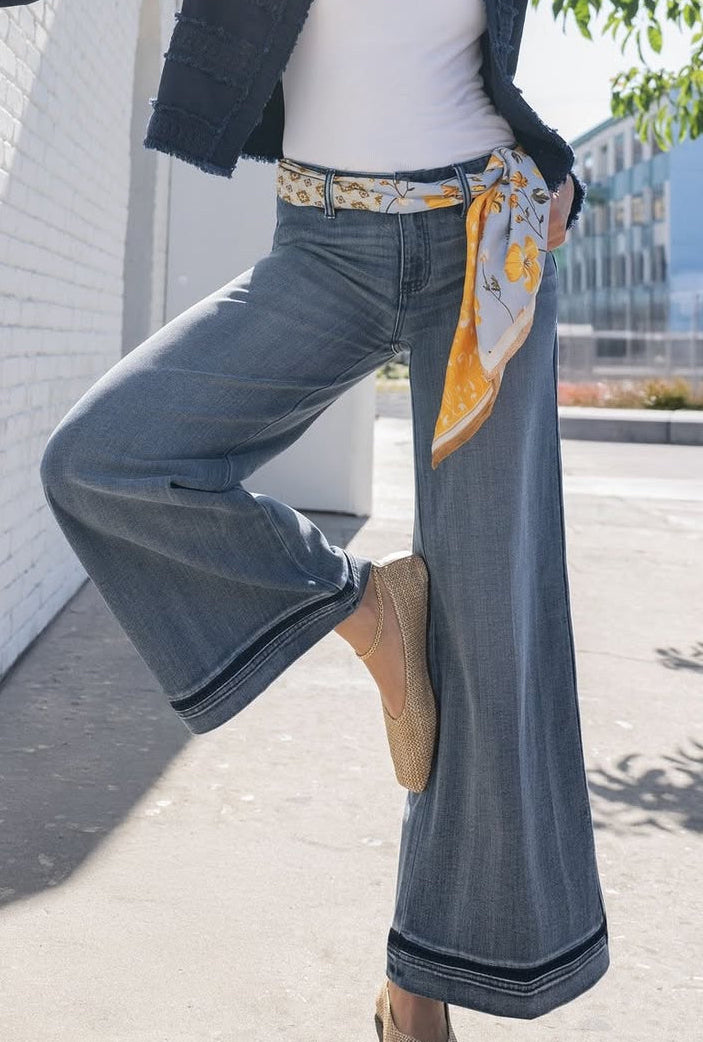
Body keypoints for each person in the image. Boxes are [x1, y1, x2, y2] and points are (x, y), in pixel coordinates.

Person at [34, 0, 610, 1039]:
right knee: (107, 458)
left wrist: (557, 168)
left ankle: (416, 992)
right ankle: (365, 608)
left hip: (489, 234)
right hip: (324, 245)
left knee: (488, 637)